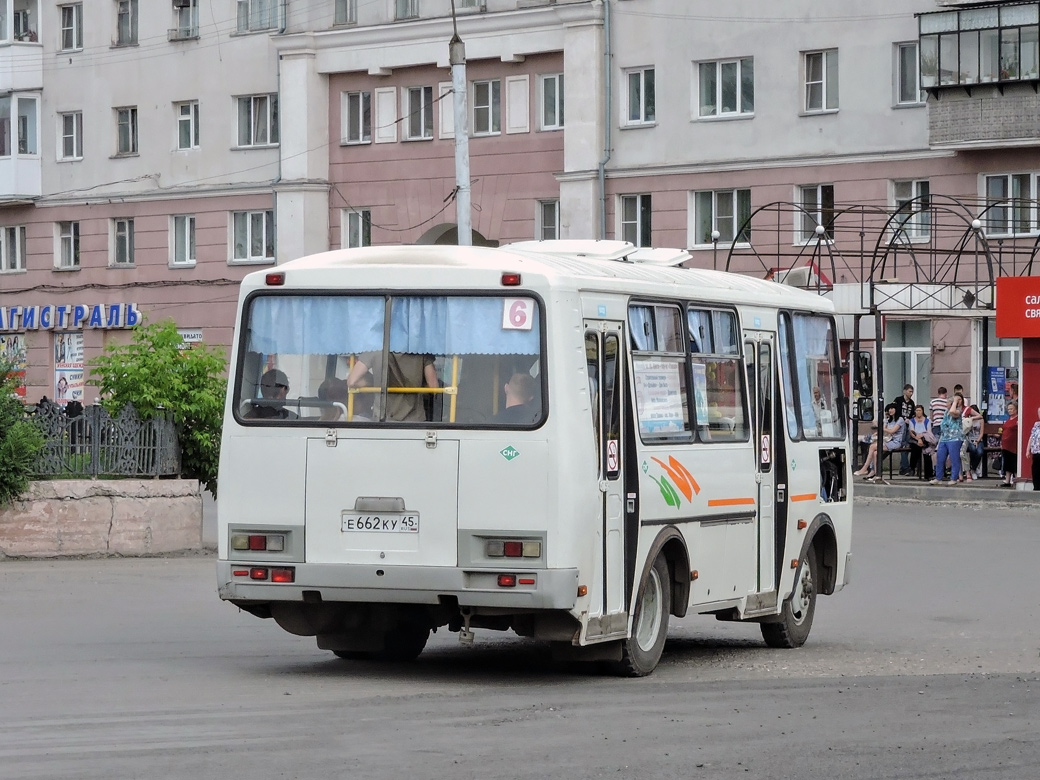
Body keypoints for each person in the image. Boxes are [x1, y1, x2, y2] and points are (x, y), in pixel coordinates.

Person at [347, 351, 437, 422]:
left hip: (382, 419)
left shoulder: (376, 348)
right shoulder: (420, 351)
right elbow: (434, 387)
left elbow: (352, 381)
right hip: (414, 420)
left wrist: (376, 385)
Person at [854, 403, 904, 478]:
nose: (890, 410)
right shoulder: (888, 420)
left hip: (895, 442)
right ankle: (876, 473)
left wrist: (880, 427)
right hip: (888, 440)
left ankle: (865, 468)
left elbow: (892, 431)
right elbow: (883, 430)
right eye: (889, 409)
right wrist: (874, 434)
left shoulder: (900, 420)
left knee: (872, 447)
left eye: (892, 408)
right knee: (875, 453)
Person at [931, 392, 965, 484]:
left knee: (954, 458)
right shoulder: (946, 412)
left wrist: (955, 401)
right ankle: (938, 478)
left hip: (955, 438)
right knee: (940, 457)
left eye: (947, 402)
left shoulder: (958, 411)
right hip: (944, 438)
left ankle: (954, 478)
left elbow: (952, 412)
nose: (946, 404)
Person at [907, 404, 934, 480]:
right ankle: (912, 467)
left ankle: (928, 474)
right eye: (917, 410)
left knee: (927, 452)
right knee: (916, 448)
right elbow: (912, 432)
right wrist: (918, 438)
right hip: (915, 439)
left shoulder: (927, 420)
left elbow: (928, 431)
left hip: (925, 438)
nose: (918, 412)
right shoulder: (912, 421)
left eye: (920, 410)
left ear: (922, 411)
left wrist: (922, 438)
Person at [891, 383, 915, 474]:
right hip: (900, 425)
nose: (911, 393)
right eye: (909, 391)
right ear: (905, 391)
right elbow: (893, 410)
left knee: (906, 446)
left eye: (912, 392)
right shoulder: (898, 400)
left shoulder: (912, 403)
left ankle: (903, 467)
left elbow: (912, 413)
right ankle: (905, 467)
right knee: (902, 445)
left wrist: (910, 420)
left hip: (908, 425)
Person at [959, 403, 984, 482]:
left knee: (979, 452)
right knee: (972, 449)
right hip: (969, 440)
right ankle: (970, 469)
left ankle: (973, 468)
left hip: (978, 439)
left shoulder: (981, 420)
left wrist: (977, 441)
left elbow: (981, 433)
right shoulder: (967, 420)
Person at [998, 401, 1018, 487]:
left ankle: (1016, 479)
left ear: (1016, 409)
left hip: (1013, 444)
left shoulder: (1018, 420)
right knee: (1006, 462)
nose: (1010, 411)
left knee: (1013, 462)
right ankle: (1007, 480)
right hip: (1006, 444)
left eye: (1011, 409)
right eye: (1008, 409)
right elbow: (1003, 430)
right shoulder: (1008, 420)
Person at [1027, 405, 1040, 491]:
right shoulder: (1036, 424)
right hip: (1035, 450)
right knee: (1035, 469)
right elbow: (1031, 437)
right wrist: (1027, 450)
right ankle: (1036, 487)